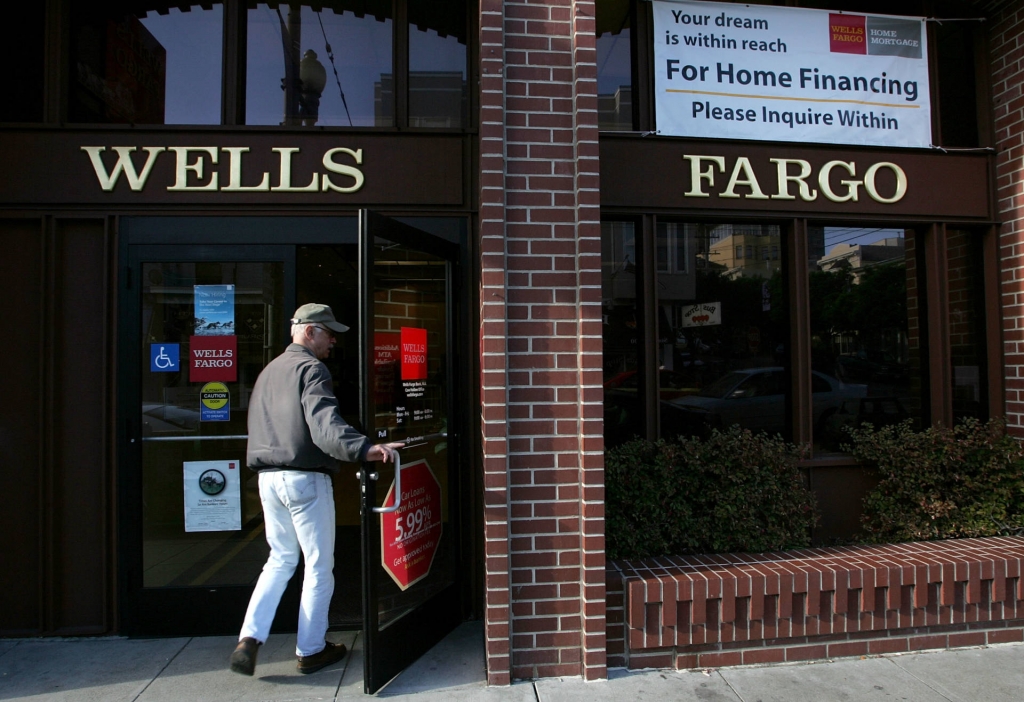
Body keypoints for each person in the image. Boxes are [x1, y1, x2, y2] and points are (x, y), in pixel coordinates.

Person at [229, 303, 401, 676]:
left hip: (267, 480)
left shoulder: (269, 372)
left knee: (279, 560)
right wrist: (365, 449)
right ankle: (311, 650)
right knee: (320, 565)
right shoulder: (311, 368)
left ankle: (249, 638)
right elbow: (324, 424)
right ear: (309, 331)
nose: (333, 341)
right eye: (328, 332)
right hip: (304, 479)